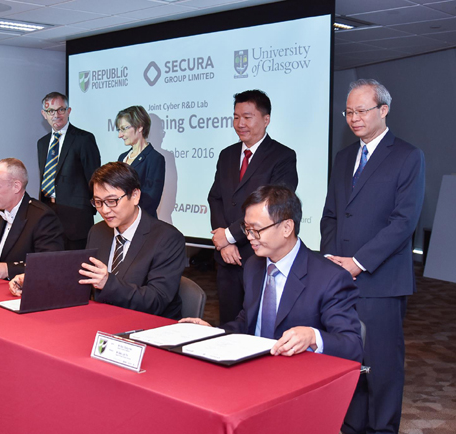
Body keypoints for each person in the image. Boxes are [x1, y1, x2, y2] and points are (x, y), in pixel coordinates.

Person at [321, 79, 425, 434]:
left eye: (361, 110)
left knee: (382, 368)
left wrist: (358, 262)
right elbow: (332, 215)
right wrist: (332, 260)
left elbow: (404, 222)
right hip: (340, 279)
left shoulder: (408, 156)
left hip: (380, 281)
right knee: (349, 361)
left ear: (383, 110)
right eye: (349, 111)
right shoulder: (344, 156)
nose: (353, 118)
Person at [182, 185, 362, 362]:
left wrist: (313, 336)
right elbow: (247, 323)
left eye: (257, 230)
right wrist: (214, 333)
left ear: (286, 228)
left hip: (298, 376)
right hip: (254, 369)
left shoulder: (330, 278)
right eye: (247, 229)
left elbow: (352, 345)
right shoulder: (254, 265)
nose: (250, 237)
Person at [208, 90, 298, 324]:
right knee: (229, 325)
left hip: (260, 256)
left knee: (259, 324)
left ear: (266, 119)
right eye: (236, 117)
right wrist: (223, 241)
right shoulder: (226, 155)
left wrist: (230, 236)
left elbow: (274, 205)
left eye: (247, 117)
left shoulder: (283, 156)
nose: (240, 123)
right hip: (227, 259)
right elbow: (215, 198)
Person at [76, 162, 186, 319]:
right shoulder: (98, 232)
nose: (105, 210)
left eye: (112, 201)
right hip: (103, 320)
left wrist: (108, 283)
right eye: (98, 202)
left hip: (148, 326)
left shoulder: (167, 239)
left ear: (135, 196)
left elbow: (156, 300)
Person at [37, 92, 101, 250]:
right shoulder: (42, 143)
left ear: (69, 111)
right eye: (51, 111)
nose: (56, 115)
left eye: (61, 110)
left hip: (77, 219)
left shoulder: (84, 139)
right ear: (44, 115)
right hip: (48, 215)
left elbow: (95, 178)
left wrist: (92, 208)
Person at [116, 105, 165, 218]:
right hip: (121, 222)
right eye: (119, 130)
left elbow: (151, 200)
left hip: (142, 224)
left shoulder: (155, 158)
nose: (120, 135)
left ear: (139, 127)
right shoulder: (122, 157)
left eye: (124, 129)